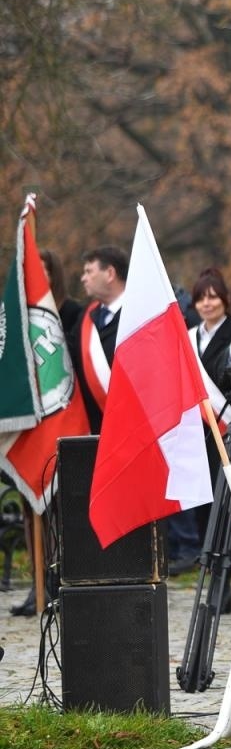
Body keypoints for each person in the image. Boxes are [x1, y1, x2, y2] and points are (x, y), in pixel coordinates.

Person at [11, 251, 81, 618]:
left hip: (61, 427)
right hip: (28, 428)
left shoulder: (73, 313)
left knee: (57, 510)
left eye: (42, 271)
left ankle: (59, 579)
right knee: (30, 508)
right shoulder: (16, 316)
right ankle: (37, 583)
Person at [166, 268, 231, 575]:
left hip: (226, 425)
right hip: (196, 429)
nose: (207, 304)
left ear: (225, 299)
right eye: (201, 298)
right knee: (201, 495)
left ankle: (225, 564)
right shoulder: (190, 336)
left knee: (225, 499)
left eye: (213, 297)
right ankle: (205, 559)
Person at [77, 245, 129, 433]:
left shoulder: (139, 315)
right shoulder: (86, 318)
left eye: (89, 271)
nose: (83, 278)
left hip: (134, 424)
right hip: (98, 429)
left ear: (110, 274)